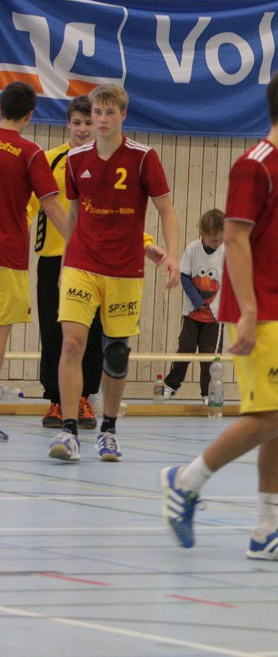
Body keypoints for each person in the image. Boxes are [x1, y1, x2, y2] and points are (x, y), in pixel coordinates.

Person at [161, 69, 278, 564]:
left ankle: (267, 530)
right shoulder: (253, 165)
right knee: (275, 414)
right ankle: (186, 479)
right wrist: (250, 311)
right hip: (262, 313)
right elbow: (236, 238)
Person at [50, 84, 180, 462]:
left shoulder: (143, 158)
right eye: (96, 113)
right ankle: (69, 430)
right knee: (72, 343)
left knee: (117, 352)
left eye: (109, 113)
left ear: (123, 115)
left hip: (124, 269)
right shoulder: (76, 160)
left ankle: (108, 429)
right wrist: (64, 263)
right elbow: (75, 215)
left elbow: (166, 210)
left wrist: (171, 254)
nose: (101, 120)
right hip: (81, 264)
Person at [29, 97, 163, 429]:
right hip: (56, 258)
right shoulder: (52, 160)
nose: (83, 128)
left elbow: (117, 217)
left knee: (99, 335)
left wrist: (146, 244)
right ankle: (57, 402)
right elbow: (31, 207)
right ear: (68, 124)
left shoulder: (119, 159)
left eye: (89, 122)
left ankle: (85, 398)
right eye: (77, 122)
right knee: (57, 335)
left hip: (103, 261)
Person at [0, 82, 69, 396]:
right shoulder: (30, 153)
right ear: (29, 115)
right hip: (7, 255)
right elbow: (52, 205)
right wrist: (80, 240)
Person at [163, 209, 225, 402]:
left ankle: (208, 393)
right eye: (214, 240)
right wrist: (197, 302)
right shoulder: (192, 249)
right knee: (185, 350)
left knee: (210, 358)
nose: (218, 243)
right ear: (202, 234)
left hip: (215, 318)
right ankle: (170, 386)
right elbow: (185, 277)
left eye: (221, 239)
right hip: (192, 313)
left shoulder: (226, 252)